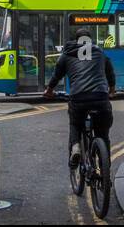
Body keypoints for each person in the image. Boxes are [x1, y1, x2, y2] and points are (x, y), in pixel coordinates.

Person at [43, 27, 116, 169]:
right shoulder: (99, 52)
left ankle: (76, 146)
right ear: (90, 40)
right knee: (103, 134)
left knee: (75, 123)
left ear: (76, 40)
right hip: (100, 97)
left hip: (78, 97)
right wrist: (111, 90)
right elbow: (110, 72)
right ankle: (105, 168)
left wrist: (49, 90)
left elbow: (57, 74)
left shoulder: (67, 54)